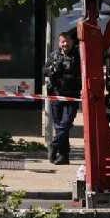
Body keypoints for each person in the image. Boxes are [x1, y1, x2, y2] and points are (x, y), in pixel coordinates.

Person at [44, 31, 82, 164]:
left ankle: (54, 145)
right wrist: (53, 70)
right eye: (62, 41)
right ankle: (64, 156)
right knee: (59, 125)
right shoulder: (54, 55)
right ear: (59, 43)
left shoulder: (78, 56)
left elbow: (83, 73)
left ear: (72, 42)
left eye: (67, 41)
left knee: (65, 124)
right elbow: (45, 70)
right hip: (56, 95)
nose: (64, 44)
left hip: (72, 96)